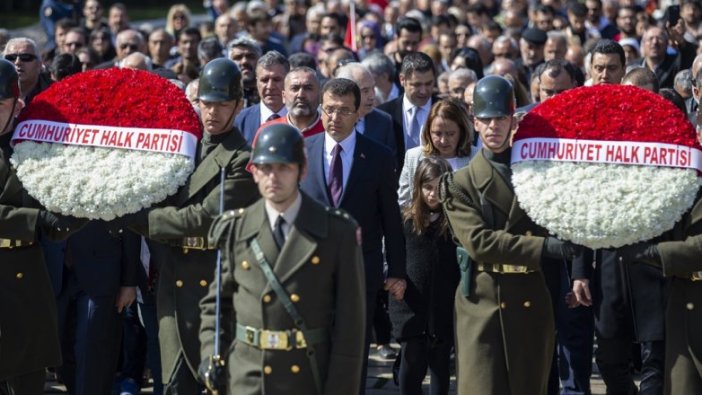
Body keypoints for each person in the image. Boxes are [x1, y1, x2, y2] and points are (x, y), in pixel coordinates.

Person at [117, 58, 259, 393]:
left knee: (213, 380)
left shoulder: (242, 158)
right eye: (206, 104)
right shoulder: (181, 145)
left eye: (223, 104)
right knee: (173, 383)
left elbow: (199, 219)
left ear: (239, 105)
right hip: (171, 278)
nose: (213, 113)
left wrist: (131, 217)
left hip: (215, 283)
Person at [199, 123, 366, 395]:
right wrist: (211, 355)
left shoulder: (335, 231)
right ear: (253, 173)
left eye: (283, 167)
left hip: (306, 378)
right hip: (246, 378)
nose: (273, 178)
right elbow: (217, 306)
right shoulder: (236, 228)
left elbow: (351, 327)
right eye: (265, 168)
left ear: (302, 170)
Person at [441, 75, 580, 394]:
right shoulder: (458, 183)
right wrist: (546, 246)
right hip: (482, 301)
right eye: (486, 119)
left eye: (501, 118)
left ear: (513, 119)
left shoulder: (539, 175)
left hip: (530, 295)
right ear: (474, 123)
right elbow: (480, 243)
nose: (494, 127)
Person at [299, 78, 406, 394]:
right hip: (311, 273)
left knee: (353, 353)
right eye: (329, 110)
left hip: (361, 273)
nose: (335, 118)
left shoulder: (379, 156)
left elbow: (390, 218)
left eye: (344, 111)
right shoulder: (303, 151)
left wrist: (397, 271)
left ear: (359, 112)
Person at [0, 58, 80, 395]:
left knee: (28, 378)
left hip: (28, 278)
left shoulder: (35, 145)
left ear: (17, 104)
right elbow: (38, 219)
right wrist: (35, 221)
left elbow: (55, 209)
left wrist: (77, 213)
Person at [390, 156, 459, 395]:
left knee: (440, 365)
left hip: (443, 307)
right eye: (427, 187)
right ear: (418, 186)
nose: (433, 194)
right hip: (409, 306)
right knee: (411, 365)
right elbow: (393, 257)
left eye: (439, 187)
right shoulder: (406, 220)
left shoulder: (455, 223)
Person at [398, 99, 478, 207]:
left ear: (462, 132)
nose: (443, 140)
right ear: (428, 131)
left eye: (450, 134)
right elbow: (403, 202)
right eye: (437, 134)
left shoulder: (476, 157)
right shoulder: (414, 157)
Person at [378, 52, 439, 169]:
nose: (424, 91)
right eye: (417, 85)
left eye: (429, 83)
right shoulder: (384, 114)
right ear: (402, 80)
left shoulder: (447, 111)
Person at [234, 50, 289, 145]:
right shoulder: (240, 121)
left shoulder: (301, 119)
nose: (270, 86)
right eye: (264, 80)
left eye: (277, 79)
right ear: (256, 83)